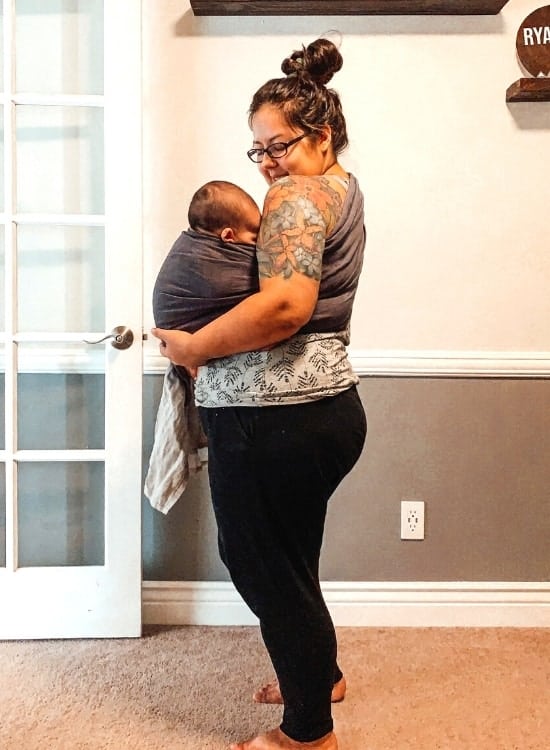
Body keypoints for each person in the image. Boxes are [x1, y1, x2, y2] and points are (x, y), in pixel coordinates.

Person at [153, 37, 367, 750]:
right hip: (323, 410)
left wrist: (190, 348)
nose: (268, 162)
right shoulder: (341, 185)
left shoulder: (297, 198)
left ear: (323, 133)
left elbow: (284, 308)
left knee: (259, 564)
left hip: (276, 420)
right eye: (259, 149)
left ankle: (307, 734)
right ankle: (320, 675)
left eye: (279, 144)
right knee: (292, 561)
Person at [153, 180, 261, 334]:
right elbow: (272, 289)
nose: (258, 244)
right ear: (228, 235)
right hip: (189, 341)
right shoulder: (201, 262)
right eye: (254, 237)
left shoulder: (191, 245)